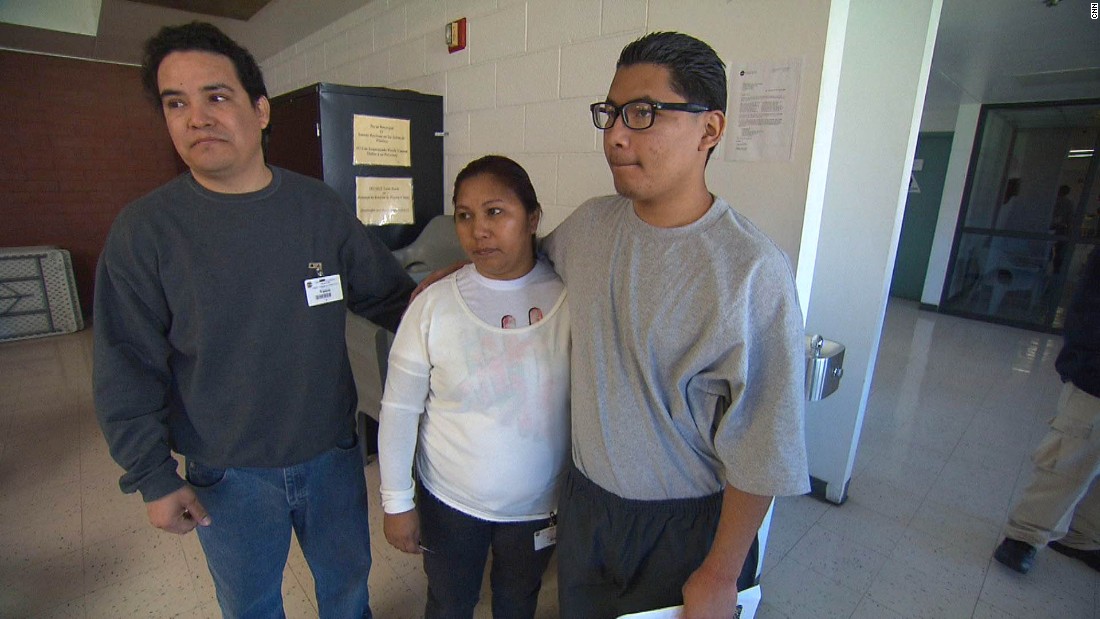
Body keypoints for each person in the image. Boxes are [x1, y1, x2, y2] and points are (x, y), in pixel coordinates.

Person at [415, 32, 809, 618]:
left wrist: (721, 573)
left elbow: (764, 447)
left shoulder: (750, 272)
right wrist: (465, 268)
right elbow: (527, 258)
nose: (616, 135)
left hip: (682, 524)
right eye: (611, 113)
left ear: (710, 130)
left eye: (643, 113)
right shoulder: (593, 226)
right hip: (587, 504)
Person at [92, 22, 414, 618]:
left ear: (260, 110)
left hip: (333, 456)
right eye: (175, 103)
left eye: (216, 96)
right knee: (251, 606)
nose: (196, 118)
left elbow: (389, 298)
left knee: (348, 593)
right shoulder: (146, 232)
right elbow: (124, 365)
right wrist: (153, 477)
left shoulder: (318, 207)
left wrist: (476, 295)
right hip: (228, 476)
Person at [378, 155, 570, 618]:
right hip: (450, 500)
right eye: (465, 215)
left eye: (495, 212)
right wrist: (396, 501)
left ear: (533, 219)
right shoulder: (433, 305)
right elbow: (399, 410)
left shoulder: (569, 298)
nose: (478, 229)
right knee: (449, 601)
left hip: (538, 505)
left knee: (517, 602)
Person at [994, 247, 1100, 574]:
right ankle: (1024, 536)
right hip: (1095, 378)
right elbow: (1089, 310)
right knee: (1070, 456)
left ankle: (1083, 536)